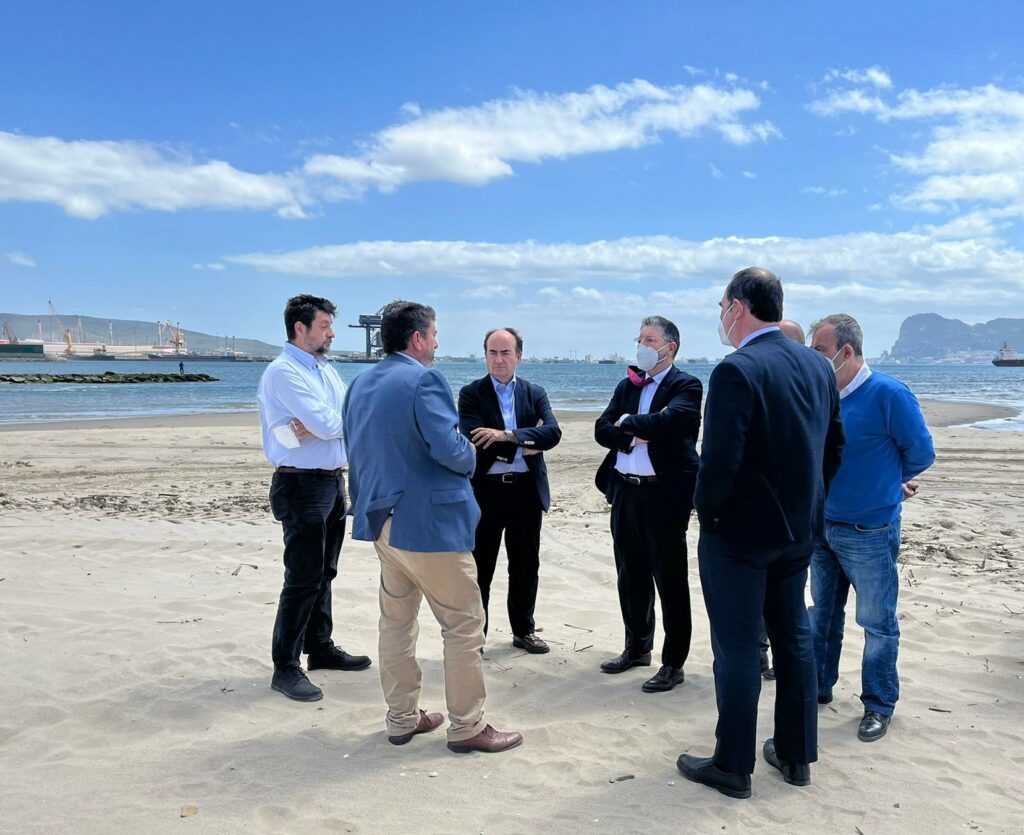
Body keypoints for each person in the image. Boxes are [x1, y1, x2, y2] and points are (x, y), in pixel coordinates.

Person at [678, 268, 844, 798]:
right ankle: (796, 756)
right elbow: (833, 447)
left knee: (738, 648)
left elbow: (719, 462)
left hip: (739, 537)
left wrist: (708, 516)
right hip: (798, 531)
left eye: (721, 306)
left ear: (739, 307)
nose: (721, 316)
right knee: (793, 639)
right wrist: (809, 504)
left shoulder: (737, 369)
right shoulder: (817, 365)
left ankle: (732, 765)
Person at [343, 300, 522, 754]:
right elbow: (451, 450)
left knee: (397, 622)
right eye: (435, 335)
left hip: (381, 519)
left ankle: (402, 717)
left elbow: (358, 449)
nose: (438, 344)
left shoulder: (360, 382)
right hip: (428, 523)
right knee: (464, 623)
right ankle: (467, 725)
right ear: (418, 338)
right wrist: (469, 450)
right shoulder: (424, 379)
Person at [808, 313, 935, 742]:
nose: (814, 357)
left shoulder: (889, 394)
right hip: (823, 525)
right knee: (822, 615)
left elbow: (921, 453)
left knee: (877, 623)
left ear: (846, 352)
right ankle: (818, 686)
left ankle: (878, 704)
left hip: (869, 530)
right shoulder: (824, 394)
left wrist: (886, 484)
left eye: (820, 350)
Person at [256, 294, 371, 703]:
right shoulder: (283, 372)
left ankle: (320, 647)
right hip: (300, 484)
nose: (332, 333)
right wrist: (324, 424)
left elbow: (348, 414)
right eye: (324, 326)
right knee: (302, 578)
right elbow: (327, 422)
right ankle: (285, 667)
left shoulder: (324, 369)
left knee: (326, 572)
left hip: (331, 480)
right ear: (300, 328)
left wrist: (325, 424)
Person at [594, 316, 702, 693]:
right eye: (640, 338)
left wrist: (629, 423)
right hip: (625, 491)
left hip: (665, 495)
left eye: (650, 339)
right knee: (630, 574)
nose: (641, 345)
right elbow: (602, 429)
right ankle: (637, 647)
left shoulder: (686, 384)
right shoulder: (627, 384)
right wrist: (633, 435)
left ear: (670, 347)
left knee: (670, 579)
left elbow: (672, 422)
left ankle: (673, 663)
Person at [458, 328, 562, 654]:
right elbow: (475, 438)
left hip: (526, 492)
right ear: (485, 355)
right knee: (480, 568)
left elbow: (553, 433)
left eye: (505, 353)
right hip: (485, 493)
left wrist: (507, 436)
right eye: (492, 352)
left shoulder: (535, 393)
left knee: (525, 566)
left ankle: (524, 631)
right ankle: (476, 637)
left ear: (519, 356)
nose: (499, 359)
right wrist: (525, 443)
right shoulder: (471, 394)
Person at [758, 317, 806, 680]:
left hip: (799, 516)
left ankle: (782, 659)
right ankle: (760, 654)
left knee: (789, 599)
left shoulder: (811, 386)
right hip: (765, 512)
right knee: (760, 594)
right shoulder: (761, 381)